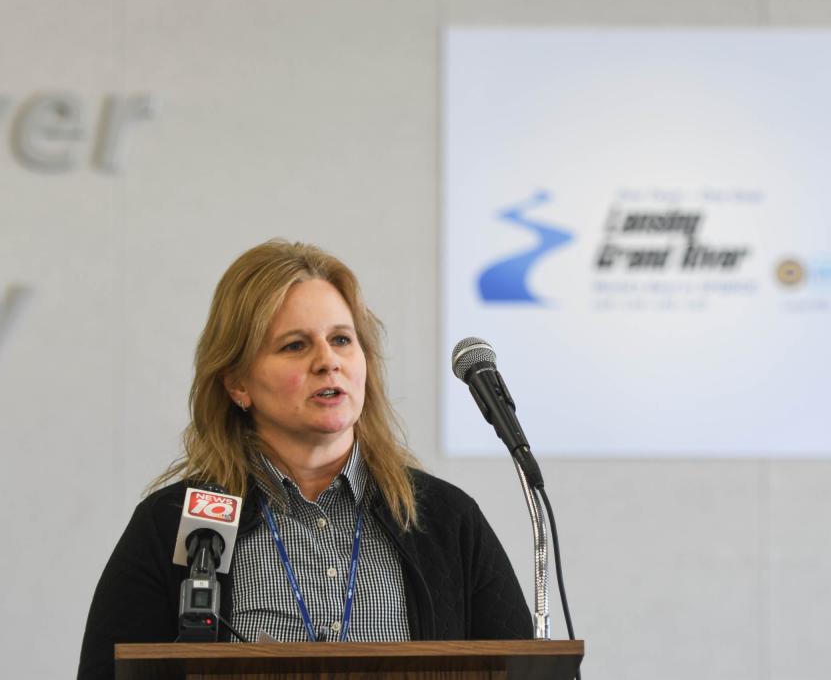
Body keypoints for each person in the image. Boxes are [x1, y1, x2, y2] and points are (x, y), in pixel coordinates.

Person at [78, 240, 531, 679]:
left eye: (341, 339)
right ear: (238, 384)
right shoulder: (174, 524)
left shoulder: (446, 519)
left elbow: (523, 670)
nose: (328, 361)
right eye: (295, 345)